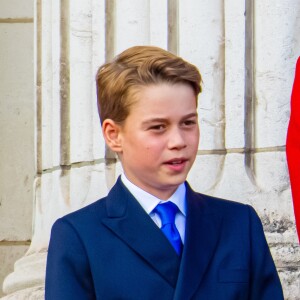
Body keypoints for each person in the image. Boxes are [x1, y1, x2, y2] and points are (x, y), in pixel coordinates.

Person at [45, 45, 284, 299]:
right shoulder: (79, 235)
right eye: (158, 127)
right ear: (114, 135)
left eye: (188, 123)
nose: (178, 141)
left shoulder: (239, 223)